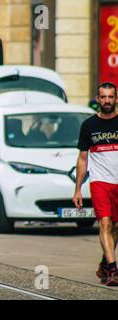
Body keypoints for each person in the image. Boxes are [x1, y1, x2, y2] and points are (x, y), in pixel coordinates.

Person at [73, 82, 118, 286]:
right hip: (100, 182)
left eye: (110, 97)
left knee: (116, 227)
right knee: (105, 223)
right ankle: (113, 271)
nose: (107, 101)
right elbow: (83, 159)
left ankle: (104, 263)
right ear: (97, 99)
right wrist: (78, 189)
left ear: (116, 98)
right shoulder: (89, 125)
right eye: (103, 97)